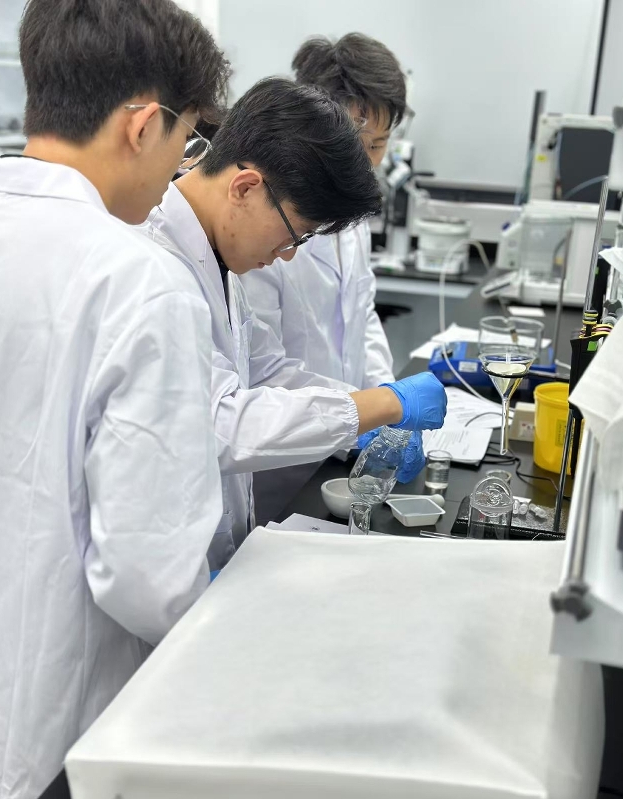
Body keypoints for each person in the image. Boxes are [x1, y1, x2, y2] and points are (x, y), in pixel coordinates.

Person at [0, 0, 229, 799]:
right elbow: (146, 575)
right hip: (44, 726)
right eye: (186, 140)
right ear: (141, 125)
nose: (178, 170)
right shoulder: (138, 281)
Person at [140, 77, 447, 571]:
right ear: (245, 188)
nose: (286, 256)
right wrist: (380, 404)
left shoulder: (216, 258)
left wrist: (365, 414)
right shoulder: (154, 265)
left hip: (213, 546)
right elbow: (217, 423)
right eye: (295, 235)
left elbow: (269, 370)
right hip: (161, 565)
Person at [242, 33, 406, 390]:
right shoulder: (268, 222)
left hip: (352, 415)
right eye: (353, 145)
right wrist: (357, 409)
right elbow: (262, 366)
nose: (364, 165)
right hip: (295, 419)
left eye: (377, 145)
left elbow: (363, 315)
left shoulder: (355, 221)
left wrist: (386, 394)